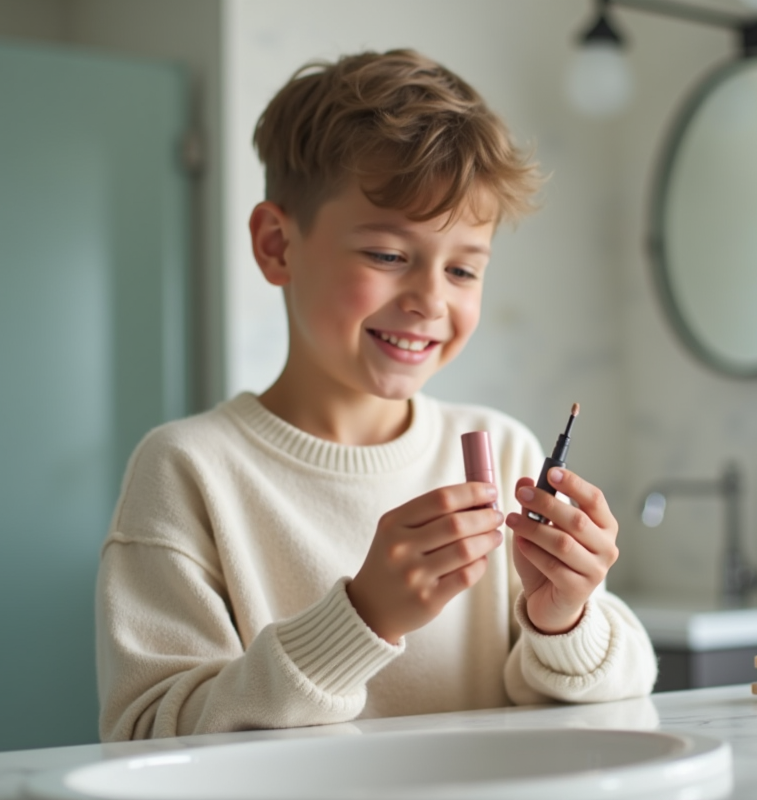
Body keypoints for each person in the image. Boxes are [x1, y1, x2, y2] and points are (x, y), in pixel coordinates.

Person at [95, 49, 656, 741]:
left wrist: (564, 616)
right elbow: (146, 736)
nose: (429, 300)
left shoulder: (504, 448)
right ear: (277, 246)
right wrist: (361, 619)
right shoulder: (188, 472)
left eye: (463, 269)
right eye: (388, 256)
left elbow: (619, 703)